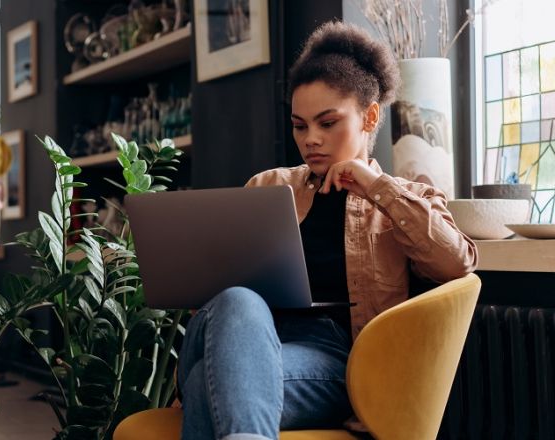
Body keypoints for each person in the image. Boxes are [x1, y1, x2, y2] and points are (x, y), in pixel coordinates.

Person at [176, 21, 477, 440]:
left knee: (202, 387)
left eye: (327, 122)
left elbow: (457, 263)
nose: (310, 139)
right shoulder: (267, 187)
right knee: (239, 301)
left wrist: (374, 187)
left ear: (370, 116)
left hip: (333, 359)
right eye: (300, 126)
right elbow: (210, 298)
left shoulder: (407, 196)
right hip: (236, 335)